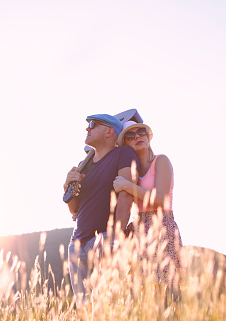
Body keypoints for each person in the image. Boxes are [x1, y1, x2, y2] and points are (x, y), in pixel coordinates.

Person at [63, 113, 139, 307]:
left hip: (106, 238)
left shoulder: (123, 154)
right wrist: (68, 187)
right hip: (78, 243)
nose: (87, 128)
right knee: (83, 306)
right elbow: (75, 210)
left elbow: (126, 193)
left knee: (106, 303)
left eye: (93, 124)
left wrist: (116, 234)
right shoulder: (83, 165)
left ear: (109, 131)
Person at [112, 120, 183, 288]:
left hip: (162, 228)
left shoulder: (161, 161)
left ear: (148, 136)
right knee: (143, 294)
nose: (137, 136)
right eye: (130, 135)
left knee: (167, 292)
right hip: (139, 232)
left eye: (141, 132)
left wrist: (127, 186)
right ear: (125, 144)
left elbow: (160, 199)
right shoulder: (129, 173)